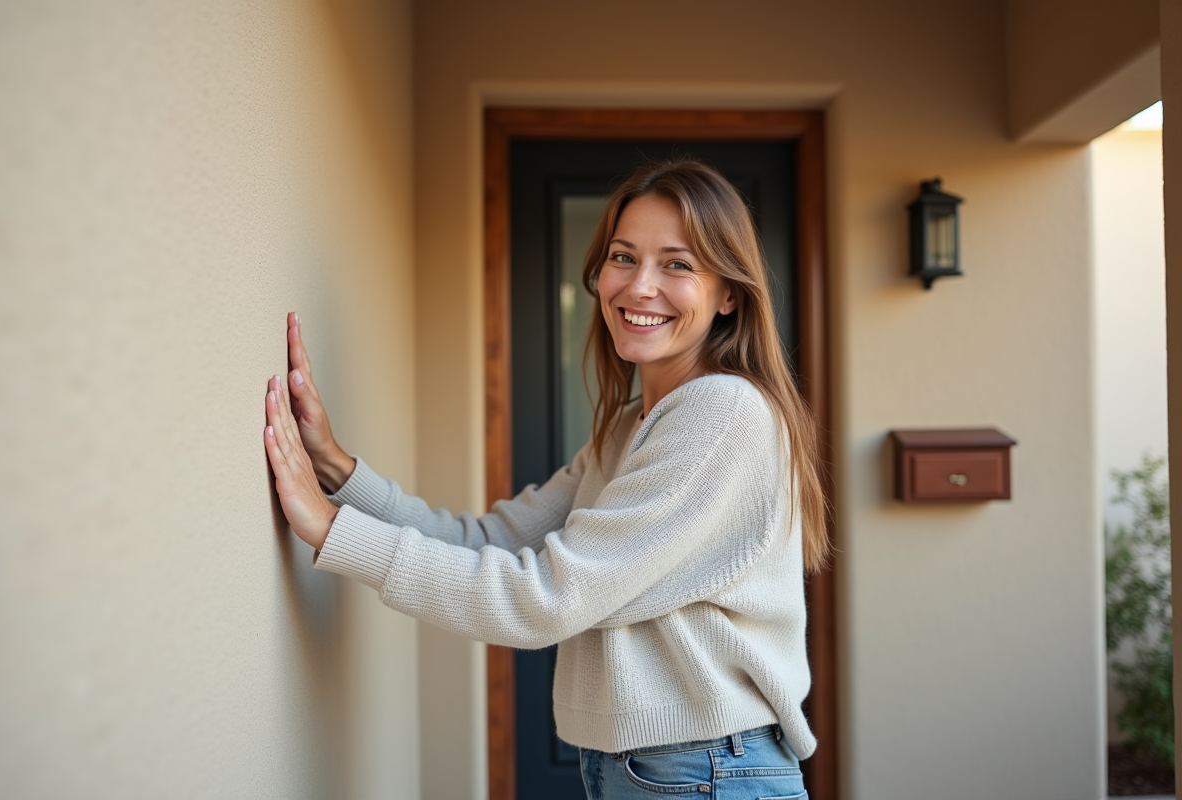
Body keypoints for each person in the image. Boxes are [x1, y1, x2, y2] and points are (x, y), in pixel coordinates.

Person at [263, 159, 829, 800]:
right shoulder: (628, 428)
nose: (640, 286)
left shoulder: (721, 414)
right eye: (624, 256)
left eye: (677, 264)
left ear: (729, 293)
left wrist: (331, 531)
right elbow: (493, 542)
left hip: (703, 772)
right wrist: (337, 472)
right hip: (660, 768)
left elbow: (543, 599)